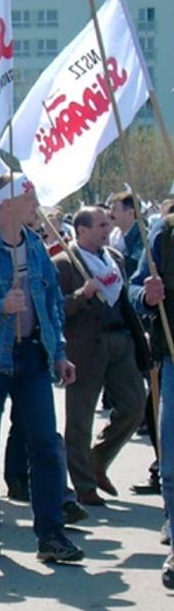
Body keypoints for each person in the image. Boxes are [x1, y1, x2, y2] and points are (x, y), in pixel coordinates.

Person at [0, 173, 84, 564]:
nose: (35, 204)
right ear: (6, 203)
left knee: (46, 444)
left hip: (32, 357)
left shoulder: (37, 249)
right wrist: (0, 309)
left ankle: (51, 534)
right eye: (28, 196)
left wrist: (59, 351)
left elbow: (52, 307)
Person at [55, 206, 148, 507]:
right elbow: (55, 309)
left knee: (134, 406)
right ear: (81, 230)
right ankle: (84, 483)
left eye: (108, 224)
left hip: (120, 341)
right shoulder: (64, 263)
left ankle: (98, 459)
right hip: (86, 347)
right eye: (99, 225)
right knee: (80, 419)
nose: (107, 229)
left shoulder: (115, 259)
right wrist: (82, 296)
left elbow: (125, 296)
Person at [131, 209, 174, 588]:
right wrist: (146, 295)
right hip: (173, 359)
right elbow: (133, 288)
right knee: (172, 463)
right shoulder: (164, 233)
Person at [108, 191, 143, 277]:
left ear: (130, 213)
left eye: (114, 209)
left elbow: (134, 264)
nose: (110, 213)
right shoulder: (113, 233)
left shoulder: (142, 236)